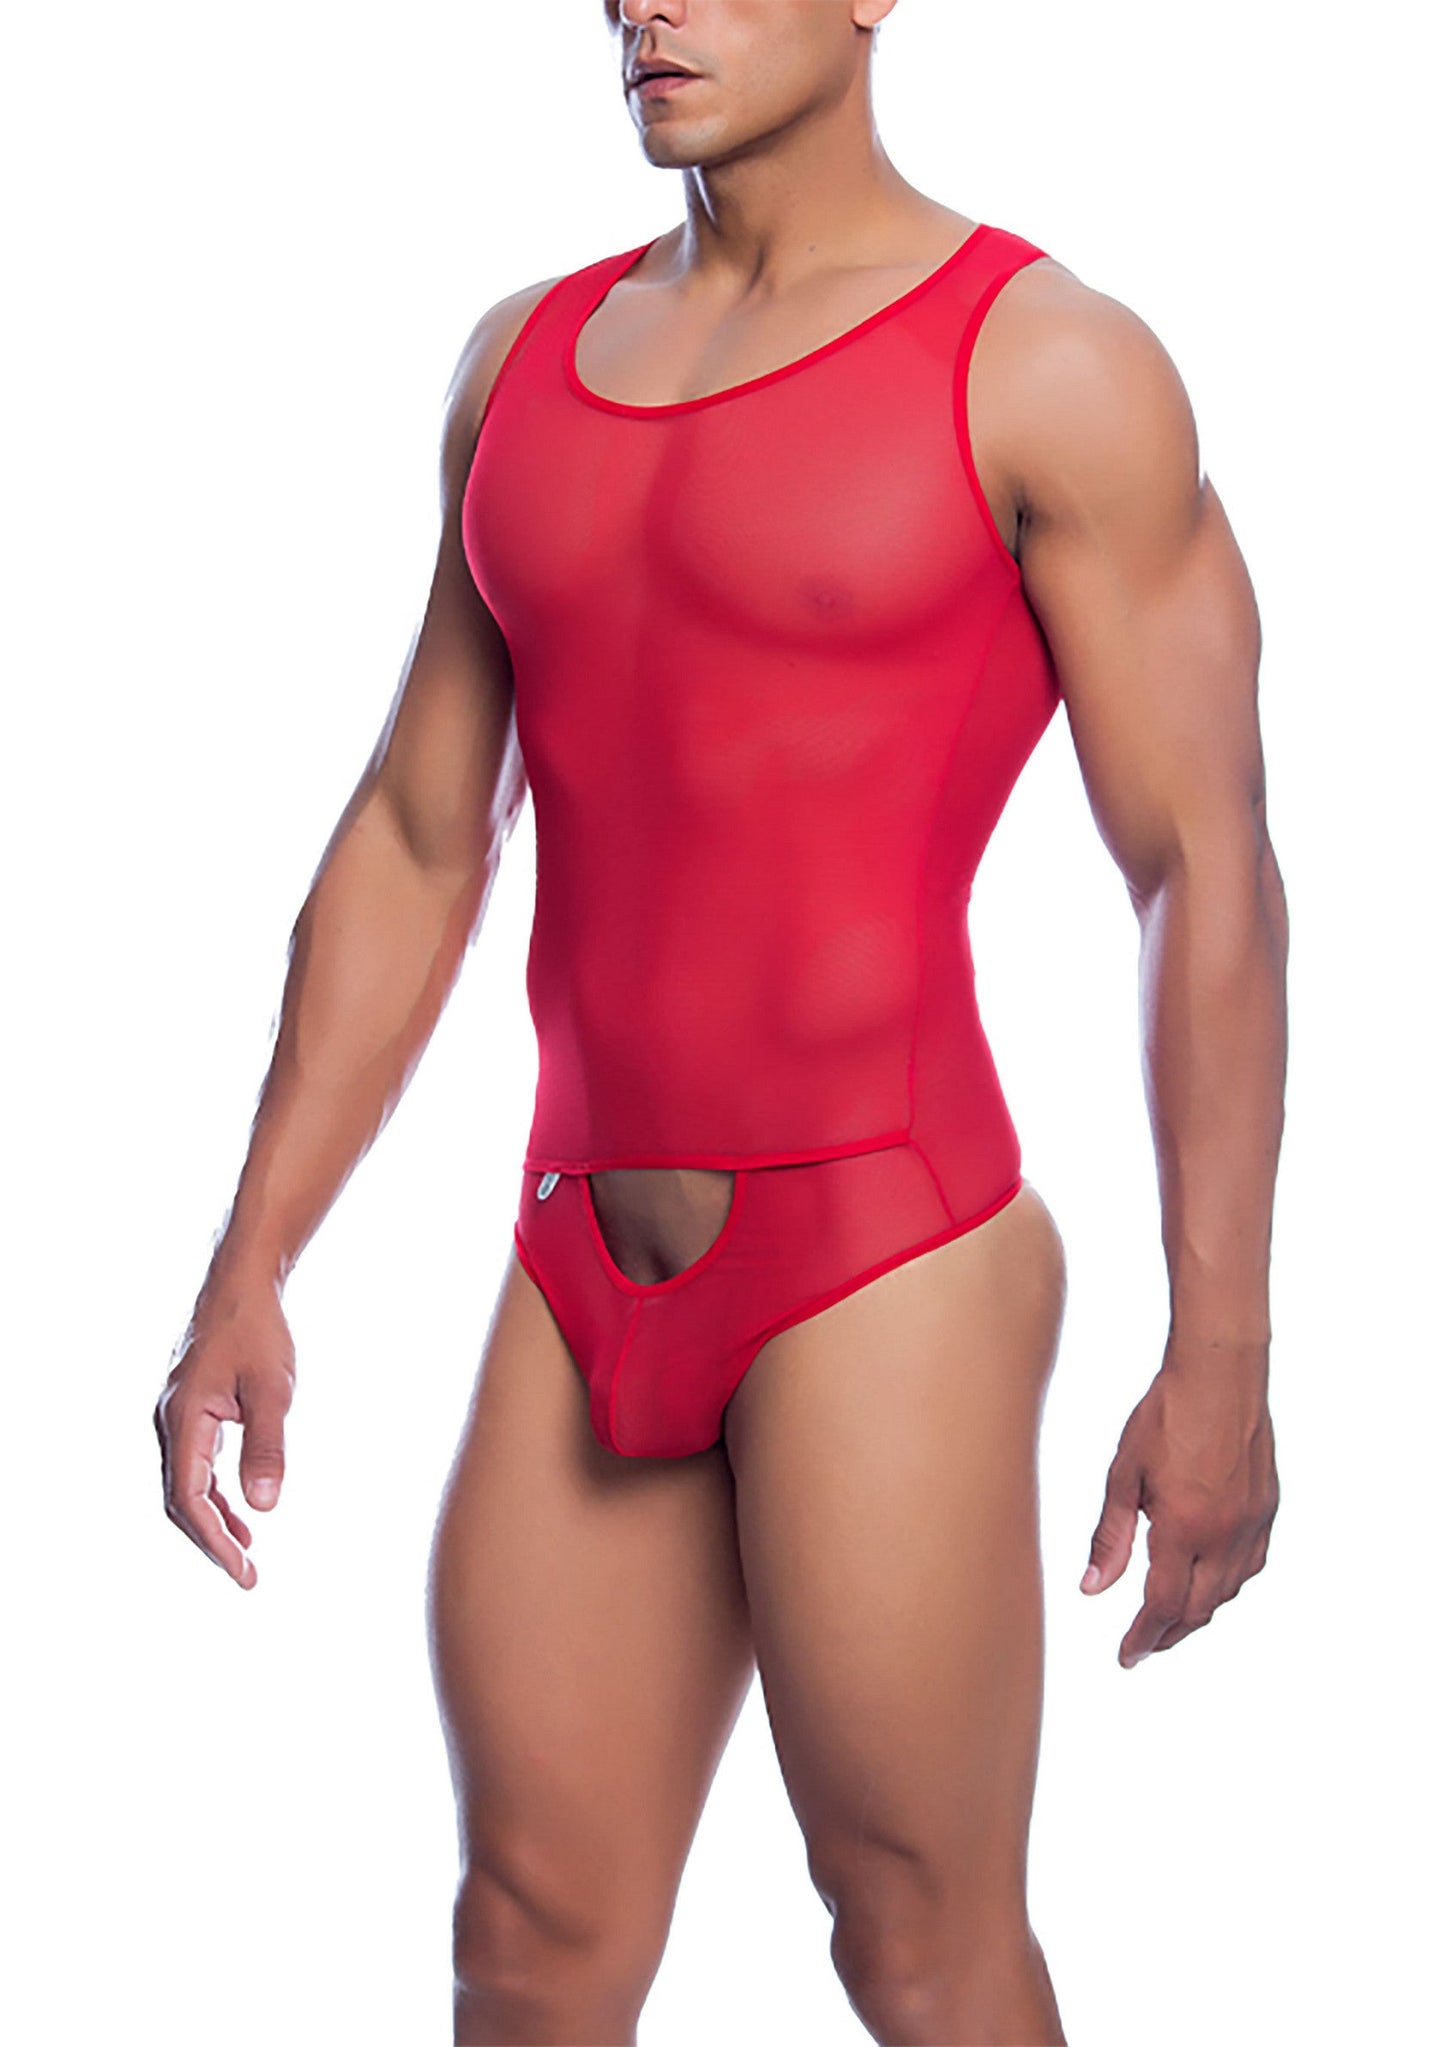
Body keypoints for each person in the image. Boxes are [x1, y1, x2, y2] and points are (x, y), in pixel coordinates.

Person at [154, 2, 1287, 2040]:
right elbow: (420, 828)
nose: (641, 3)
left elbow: (1199, 866)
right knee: (526, 1933)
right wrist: (253, 1254)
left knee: (917, 1941)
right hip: (579, 1246)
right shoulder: (521, 363)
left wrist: (1219, 1359)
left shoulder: (1047, 365)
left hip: (882, 1244)